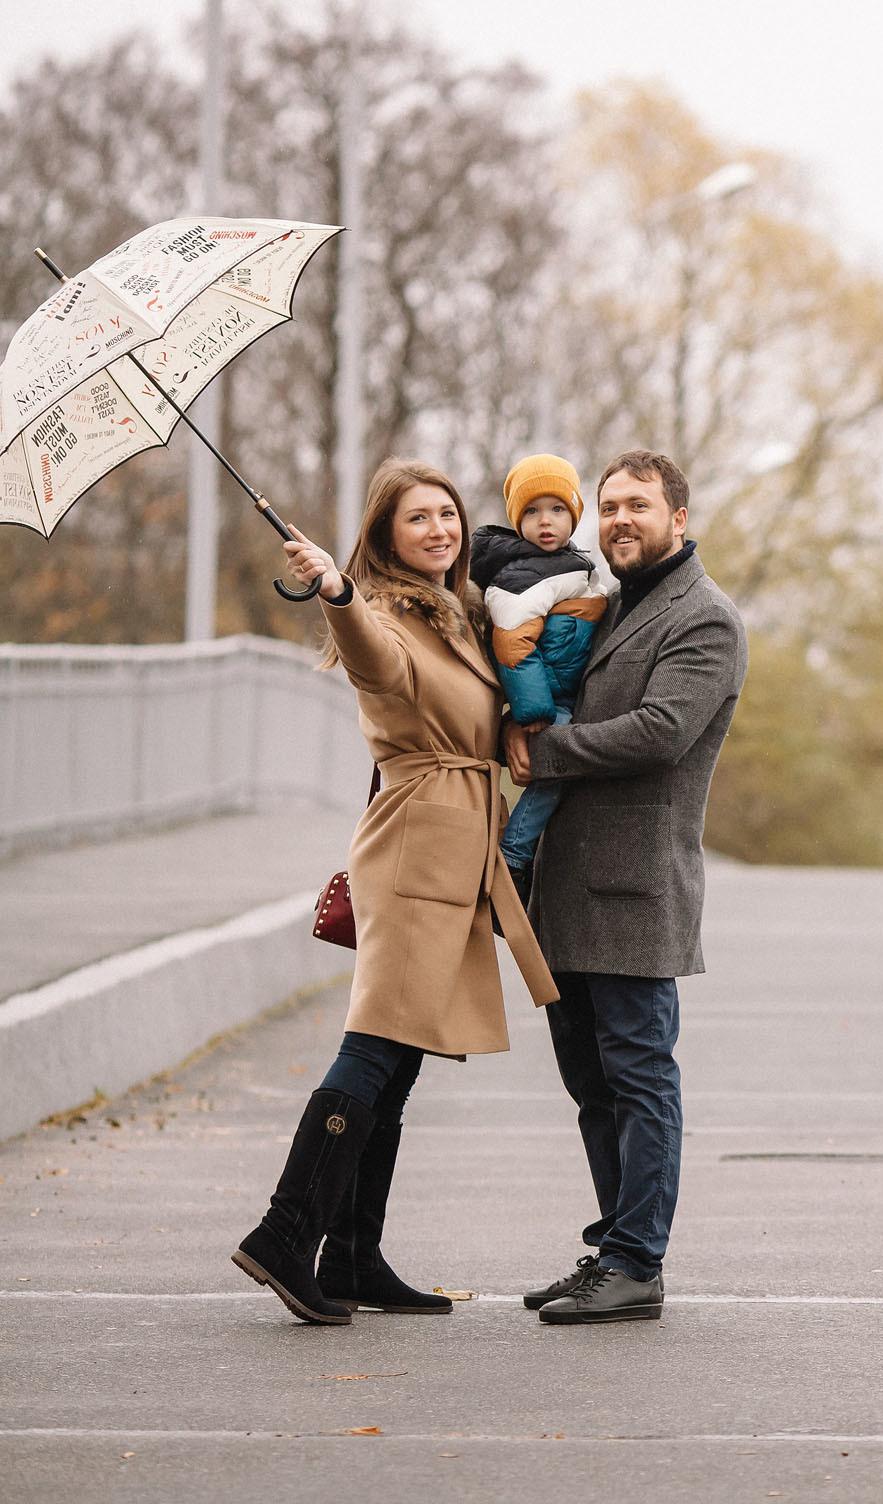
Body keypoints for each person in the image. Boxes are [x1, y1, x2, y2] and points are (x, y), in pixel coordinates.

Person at [233, 460, 557, 1325]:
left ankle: (351, 1255)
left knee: (403, 1055)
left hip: (452, 846)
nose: (439, 529)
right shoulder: (380, 611)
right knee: (377, 1043)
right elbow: (372, 662)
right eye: (418, 518)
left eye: (448, 514)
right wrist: (336, 591)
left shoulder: (457, 612)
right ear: (384, 535)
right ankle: (283, 1233)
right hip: (418, 848)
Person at [505, 450, 747, 1324]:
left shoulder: (704, 617)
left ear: (679, 518)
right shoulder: (607, 601)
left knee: (640, 1080)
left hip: (635, 889)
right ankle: (612, 1249)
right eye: (608, 506)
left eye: (637, 505)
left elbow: (660, 732)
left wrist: (545, 751)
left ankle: (638, 1263)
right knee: (592, 1086)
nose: (619, 520)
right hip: (568, 887)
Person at [468, 452, 616, 895]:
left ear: (575, 516)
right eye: (531, 512)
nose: (545, 521)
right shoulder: (523, 574)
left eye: (556, 509)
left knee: (559, 772)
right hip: (549, 700)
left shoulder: (570, 565)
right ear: (517, 522)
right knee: (558, 770)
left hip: (562, 691)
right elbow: (512, 642)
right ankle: (514, 856)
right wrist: (535, 710)